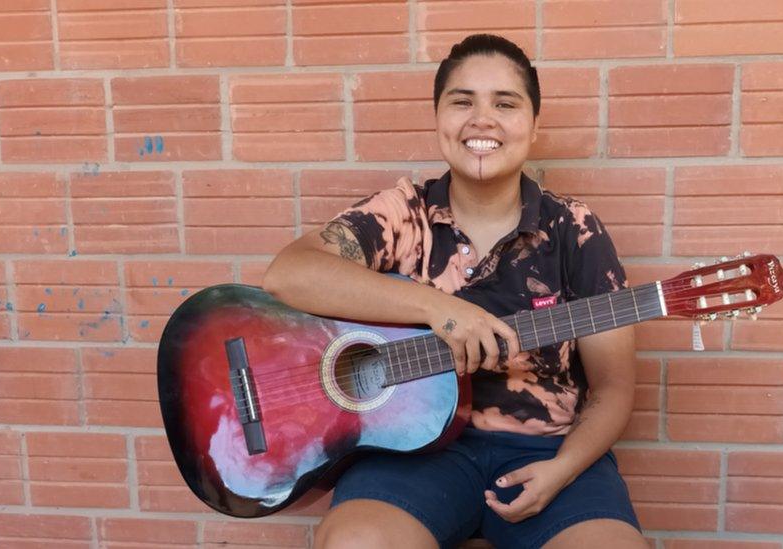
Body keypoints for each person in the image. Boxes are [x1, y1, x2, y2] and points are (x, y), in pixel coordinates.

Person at [262, 34, 645, 549]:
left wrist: (565, 470)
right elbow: (289, 274)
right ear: (438, 118)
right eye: (462, 101)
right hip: (409, 452)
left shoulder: (574, 229)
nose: (481, 119)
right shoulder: (400, 214)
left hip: (547, 453)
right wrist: (439, 309)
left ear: (534, 126)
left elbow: (614, 387)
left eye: (505, 104)